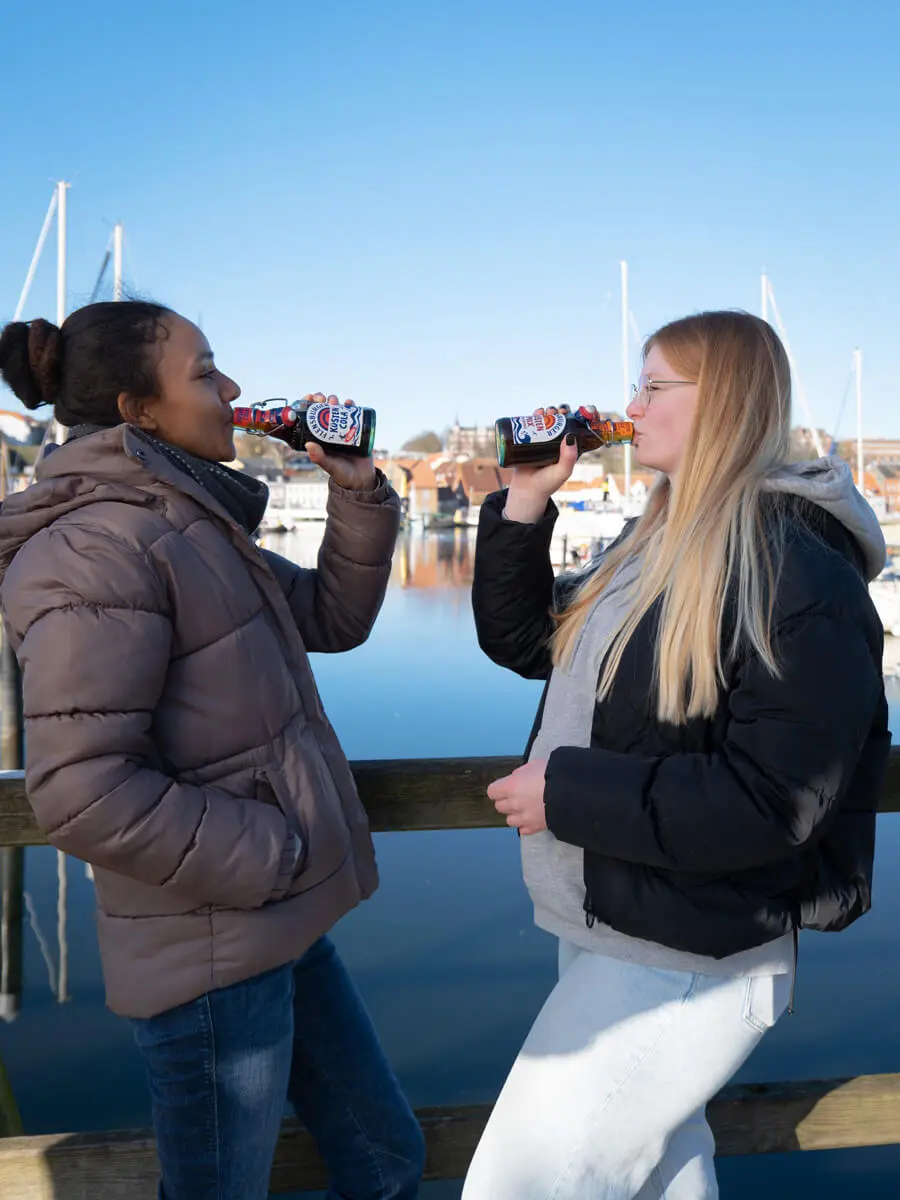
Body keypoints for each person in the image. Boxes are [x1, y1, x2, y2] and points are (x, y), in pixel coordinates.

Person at [0, 302, 425, 1200]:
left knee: (386, 1160)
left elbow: (331, 619)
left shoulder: (186, 521)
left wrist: (354, 489)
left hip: (276, 925)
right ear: (138, 411)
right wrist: (274, 852)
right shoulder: (92, 551)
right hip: (213, 950)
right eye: (205, 372)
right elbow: (80, 792)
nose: (233, 389)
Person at [466, 310, 891, 1199]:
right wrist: (525, 504)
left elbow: (776, 798)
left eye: (654, 386)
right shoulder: (657, 540)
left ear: (724, 401)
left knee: (519, 1184)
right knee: (664, 1177)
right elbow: (529, 642)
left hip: (695, 947)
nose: (630, 406)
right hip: (613, 912)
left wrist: (567, 793)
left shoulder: (796, 569)